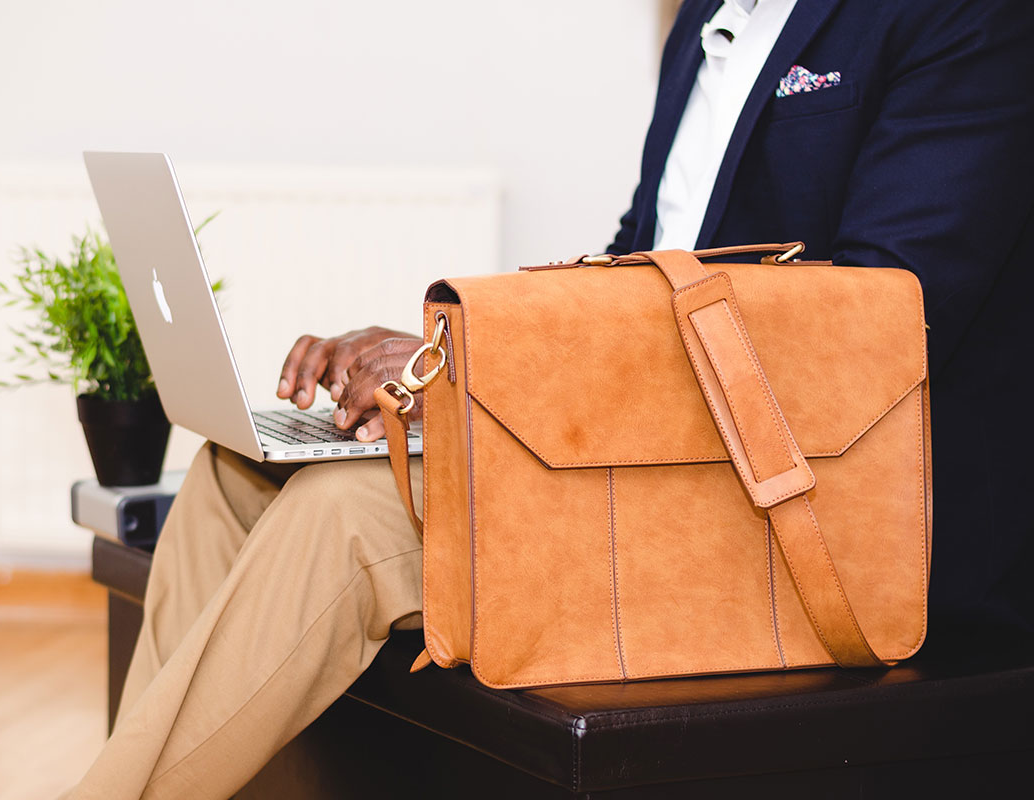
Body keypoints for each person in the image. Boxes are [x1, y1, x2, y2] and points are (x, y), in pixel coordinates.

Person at [68, 0, 1034, 797]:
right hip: (666, 466)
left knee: (348, 516)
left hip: (821, 515)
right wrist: (446, 366)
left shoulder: (968, 20)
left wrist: (482, 369)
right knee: (233, 476)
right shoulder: (703, 19)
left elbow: (865, 328)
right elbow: (634, 263)